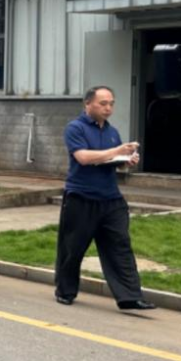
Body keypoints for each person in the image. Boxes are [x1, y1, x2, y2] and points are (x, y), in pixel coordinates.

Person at [54, 87, 155, 311]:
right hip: (81, 197)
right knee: (73, 248)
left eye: (111, 103)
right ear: (88, 104)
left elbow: (113, 162)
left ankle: (130, 297)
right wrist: (117, 150)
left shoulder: (112, 132)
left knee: (120, 246)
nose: (108, 108)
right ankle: (65, 291)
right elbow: (83, 157)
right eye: (103, 103)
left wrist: (126, 160)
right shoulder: (75, 128)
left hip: (111, 199)